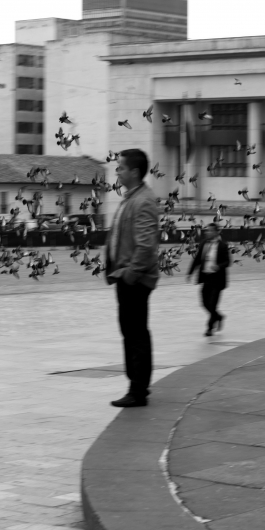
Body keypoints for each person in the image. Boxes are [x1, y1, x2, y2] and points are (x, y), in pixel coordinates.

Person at [105, 149, 160, 408]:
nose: (117, 171)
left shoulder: (143, 201)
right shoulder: (132, 198)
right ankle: (138, 385)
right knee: (132, 331)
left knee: (135, 333)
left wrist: (130, 274)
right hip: (126, 277)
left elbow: (146, 246)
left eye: (120, 168)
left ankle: (137, 390)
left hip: (134, 279)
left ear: (134, 172)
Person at [186, 222, 229, 336]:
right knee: (204, 303)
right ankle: (218, 316)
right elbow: (197, 260)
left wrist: (218, 266)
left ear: (216, 232)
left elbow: (227, 261)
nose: (207, 232)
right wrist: (190, 273)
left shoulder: (222, 245)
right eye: (206, 230)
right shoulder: (203, 243)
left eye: (209, 230)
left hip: (217, 279)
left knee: (212, 304)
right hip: (206, 278)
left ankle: (209, 328)